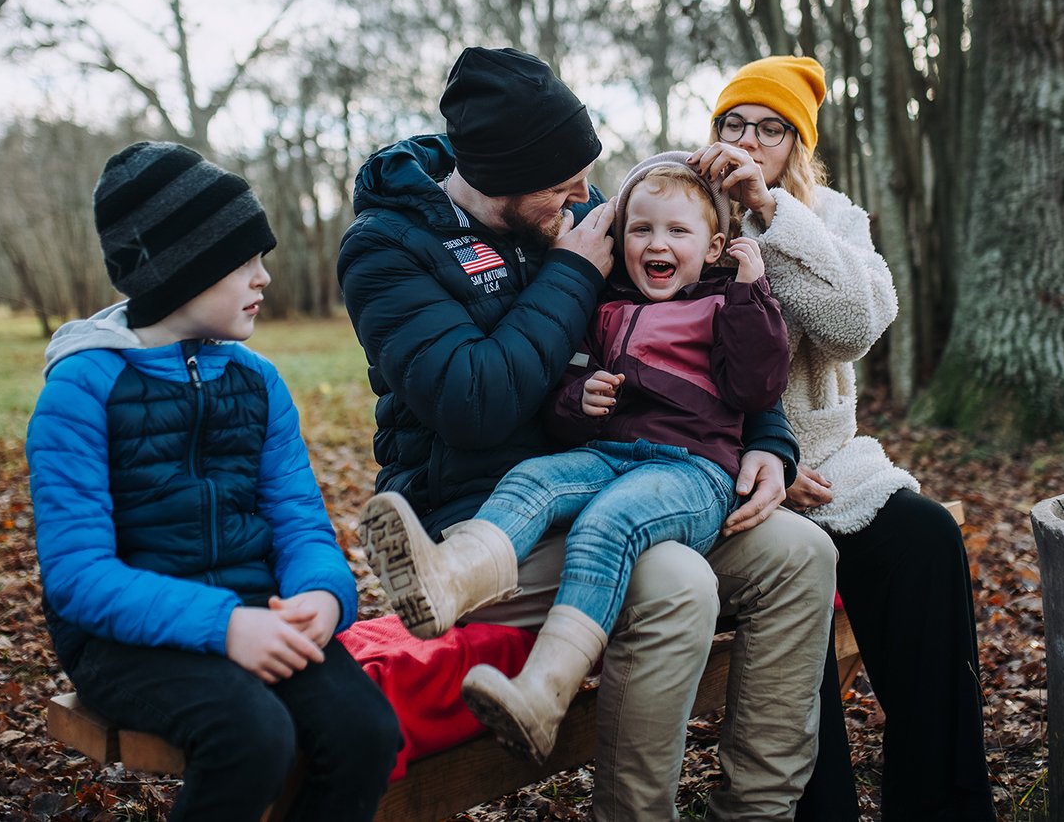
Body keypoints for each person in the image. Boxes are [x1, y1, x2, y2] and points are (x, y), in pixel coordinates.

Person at [338, 46, 837, 822]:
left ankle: (757, 811)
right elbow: (473, 399)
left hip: (636, 475)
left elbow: (701, 319)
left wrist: (768, 441)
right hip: (487, 517)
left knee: (804, 555)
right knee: (676, 580)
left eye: (586, 176)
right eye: (563, 183)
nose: (584, 196)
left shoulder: (568, 208)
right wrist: (570, 273)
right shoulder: (388, 250)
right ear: (502, 174)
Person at [360, 153, 789, 764]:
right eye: (641, 230)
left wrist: (752, 294)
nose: (656, 243)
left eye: (677, 232)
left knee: (608, 521)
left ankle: (545, 690)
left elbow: (756, 388)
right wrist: (577, 399)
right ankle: (450, 577)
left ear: (715, 245)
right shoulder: (605, 295)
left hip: (690, 471)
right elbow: (556, 394)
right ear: (620, 237)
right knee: (534, 477)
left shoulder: (727, 303)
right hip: (607, 452)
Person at [26, 141, 401, 822]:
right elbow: (78, 577)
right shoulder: (82, 390)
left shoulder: (257, 381)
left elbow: (299, 519)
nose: (263, 278)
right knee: (252, 734)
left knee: (365, 731)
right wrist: (223, 624)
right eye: (244, 260)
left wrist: (322, 593)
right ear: (179, 268)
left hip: (252, 607)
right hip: (122, 639)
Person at [690, 55, 997, 821]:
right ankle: (817, 807)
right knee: (799, 584)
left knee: (927, 540)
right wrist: (757, 461)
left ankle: (940, 803)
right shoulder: (680, 209)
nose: (751, 141)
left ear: (797, 144)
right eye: (735, 124)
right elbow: (664, 366)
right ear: (714, 131)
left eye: (772, 129)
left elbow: (856, 326)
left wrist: (773, 217)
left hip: (832, 464)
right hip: (729, 472)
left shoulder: (829, 216)